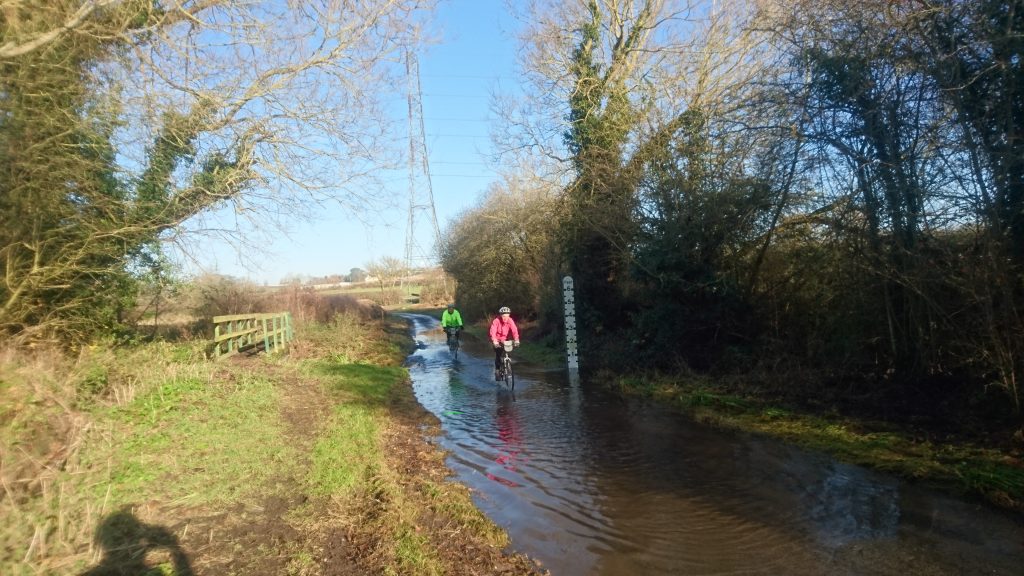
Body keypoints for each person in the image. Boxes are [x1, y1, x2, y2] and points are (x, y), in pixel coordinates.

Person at [489, 306, 520, 380]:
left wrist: (516, 340)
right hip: (497, 341)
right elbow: (492, 331)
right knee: (498, 355)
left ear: (509, 315)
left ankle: (507, 365)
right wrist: (495, 341)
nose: (505, 317)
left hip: (506, 340)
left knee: (508, 351)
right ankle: (497, 370)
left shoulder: (510, 320)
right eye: (503, 316)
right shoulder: (496, 321)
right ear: (500, 315)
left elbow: (514, 330)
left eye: (507, 316)